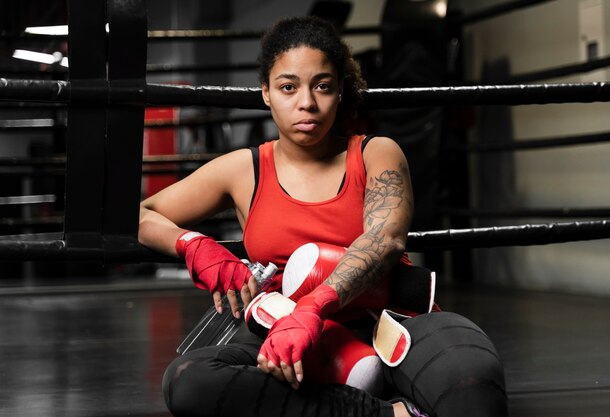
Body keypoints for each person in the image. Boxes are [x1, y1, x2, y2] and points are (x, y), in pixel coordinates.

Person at [139, 16, 507, 417]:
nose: (307, 103)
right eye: (287, 87)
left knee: (474, 383)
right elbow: (142, 215)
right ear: (266, 92)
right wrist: (196, 246)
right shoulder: (243, 169)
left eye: (323, 86)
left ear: (340, 91)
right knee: (189, 381)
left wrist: (313, 308)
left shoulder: (375, 152)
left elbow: (384, 240)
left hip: (390, 318)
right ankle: (391, 414)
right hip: (285, 333)